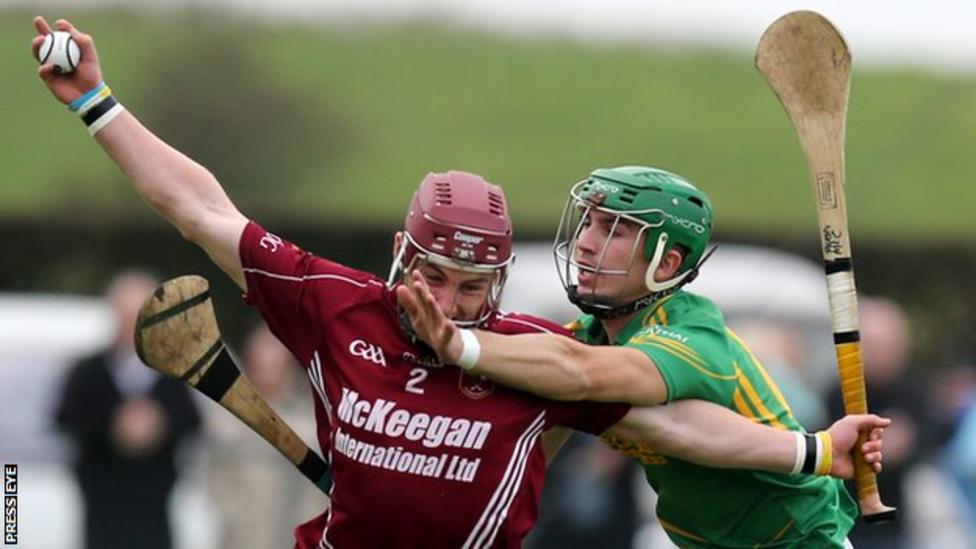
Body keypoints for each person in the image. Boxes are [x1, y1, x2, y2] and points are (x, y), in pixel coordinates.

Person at [31, 18, 886, 548]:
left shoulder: (536, 355)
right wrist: (95, 101)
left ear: (499, 284)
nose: (447, 299)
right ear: (404, 254)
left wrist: (810, 450)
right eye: (436, 275)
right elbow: (197, 207)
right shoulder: (333, 304)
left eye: (472, 285)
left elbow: (677, 427)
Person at [399, 165, 877, 547]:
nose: (585, 241)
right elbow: (531, 444)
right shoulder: (587, 338)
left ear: (666, 263)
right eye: (588, 222)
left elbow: (583, 377)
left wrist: (459, 345)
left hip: (796, 542)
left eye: (613, 230)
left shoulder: (693, 337)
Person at [53, 269, 202, 549]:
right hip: (102, 503)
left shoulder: (173, 373)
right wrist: (114, 425)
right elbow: (66, 417)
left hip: (154, 505)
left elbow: (191, 421)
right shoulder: (88, 371)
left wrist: (159, 424)